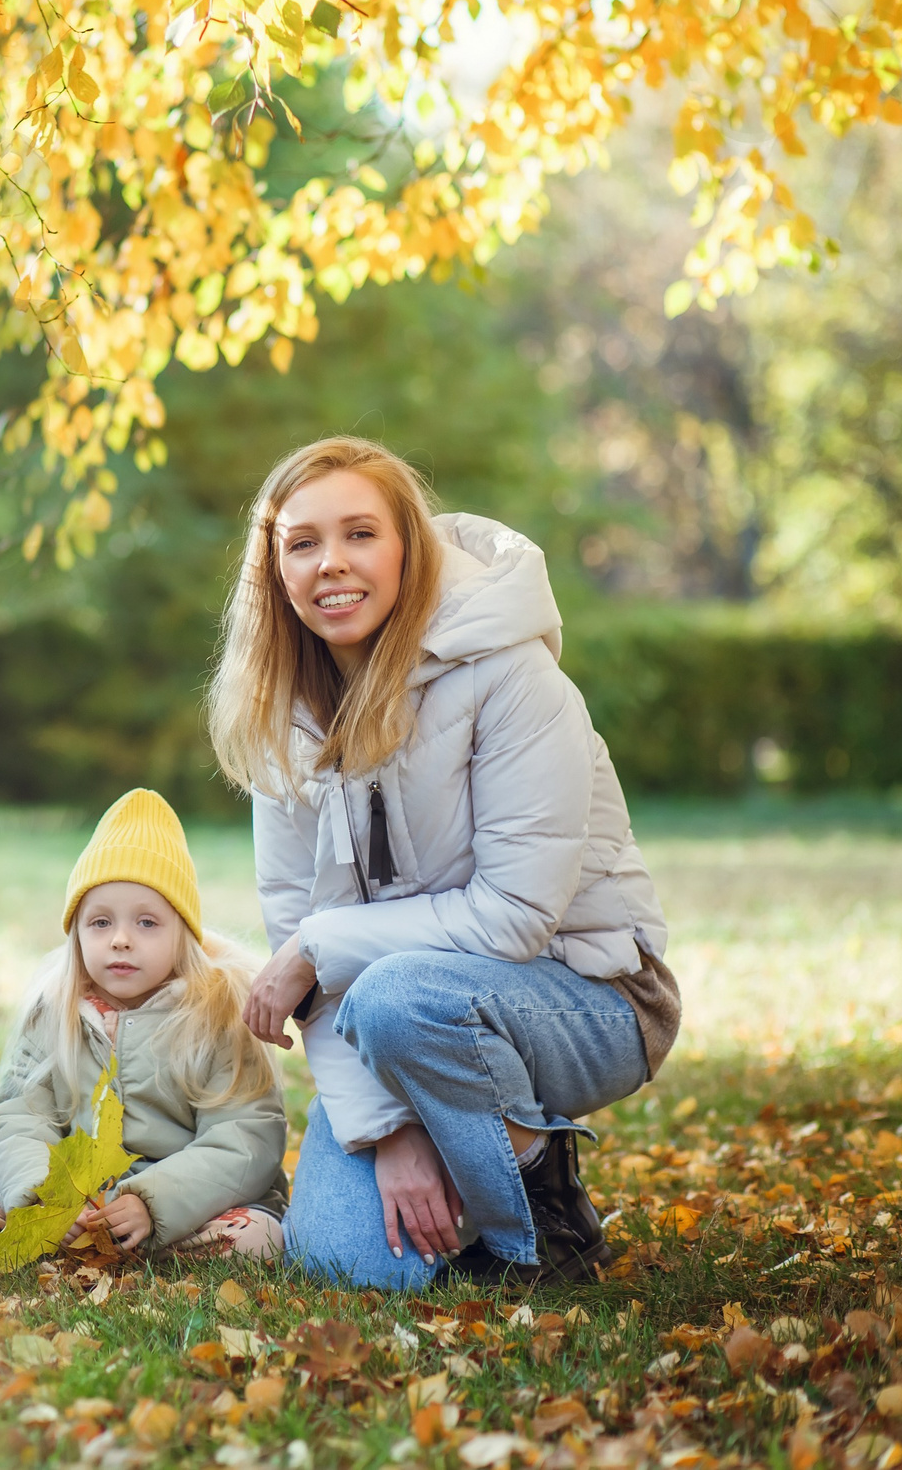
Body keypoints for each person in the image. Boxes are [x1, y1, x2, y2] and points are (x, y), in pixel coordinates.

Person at [207, 436, 679, 1288]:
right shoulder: (283, 720)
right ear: (274, 571)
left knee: (394, 995)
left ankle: (543, 1215)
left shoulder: (511, 676)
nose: (331, 562)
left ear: (409, 548)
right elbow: (311, 969)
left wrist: (321, 945)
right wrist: (390, 1127)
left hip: (591, 996)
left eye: (360, 533)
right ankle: (455, 1135)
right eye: (302, 543)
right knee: (347, 1261)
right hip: (401, 1026)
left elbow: (513, 916)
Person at [0, 789, 288, 1260]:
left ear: (183, 933)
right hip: (73, 1203)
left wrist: (152, 1203)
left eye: (147, 923)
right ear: (77, 933)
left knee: (255, 1236)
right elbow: (17, 1120)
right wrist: (46, 1195)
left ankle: (108, 1244)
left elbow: (245, 1139)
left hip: (181, 1207)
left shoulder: (217, 1014)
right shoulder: (56, 1011)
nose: (121, 940)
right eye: (101, 923)